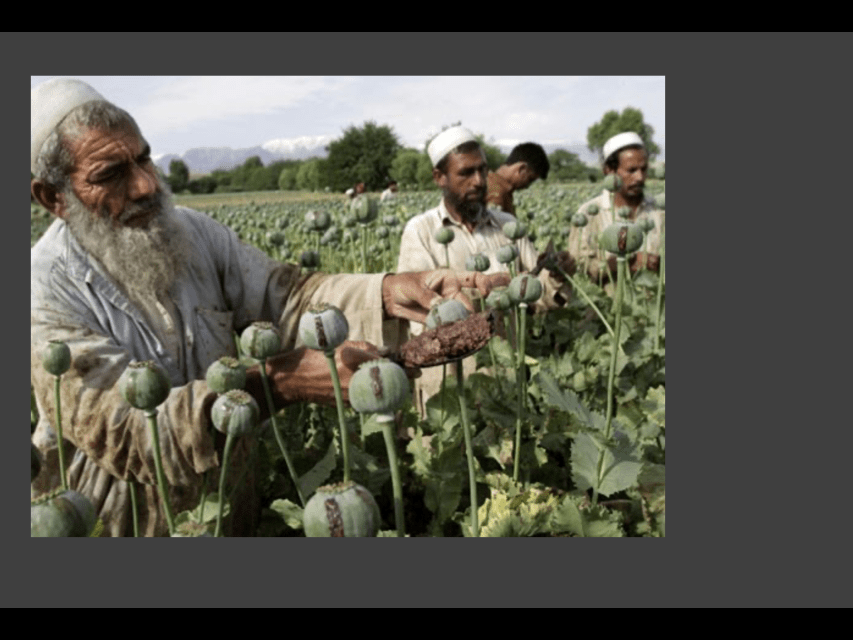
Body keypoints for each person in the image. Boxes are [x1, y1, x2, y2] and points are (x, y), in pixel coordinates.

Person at [30, 79, 508, 536]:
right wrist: (280, 383)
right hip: (118, 525)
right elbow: (128, 431)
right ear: (53, 197)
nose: (144, 185)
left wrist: (388, 290)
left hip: (233, 508)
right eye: (110, 174)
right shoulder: (42, 290)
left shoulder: (190, 233)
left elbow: (289, 297)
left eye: (144, 159)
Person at [395, 126, 575, 416]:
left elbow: (535, 295)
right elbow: (418, 315)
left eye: (482, 170)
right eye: (466, 173)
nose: (479, 181)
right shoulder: (421, 231)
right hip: (449, 390)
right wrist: (477, 300)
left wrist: (554, 275)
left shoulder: (507, 226)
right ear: (439, 177)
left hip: (505, 383)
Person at [567, 132, 664, 283]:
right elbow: (578, 269)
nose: (640, 177)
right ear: (609, 170)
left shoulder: (660, 210)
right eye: (631, 170)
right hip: (606, 297)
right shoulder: (589, 214)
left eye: (644, 169)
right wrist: (623, 263)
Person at [485, 142, 550, 215]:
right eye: (530, 179)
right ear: (522, 168)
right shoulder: (496, 194)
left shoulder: (492, 182)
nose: (527, 186)